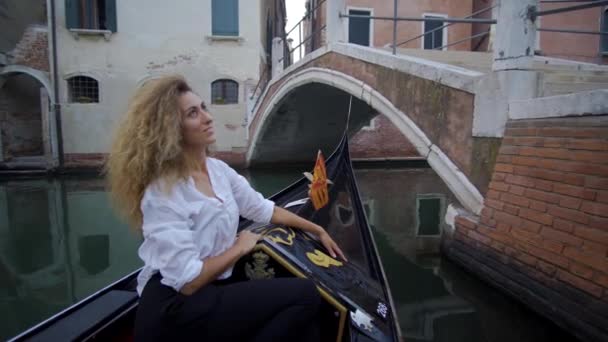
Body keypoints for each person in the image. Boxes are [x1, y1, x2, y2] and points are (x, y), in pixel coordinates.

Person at [105, 75, 346, 341]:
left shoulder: (218, 170)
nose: (207, 117)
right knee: (305, 295)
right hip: (174, 309)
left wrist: (317, 229)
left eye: (203, 107)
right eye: (193, 113)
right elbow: (187, 282)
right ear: (172, 129)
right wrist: (239, 248)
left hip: (211, 288)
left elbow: (264, 209)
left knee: (307, 329)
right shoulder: (162, 192)